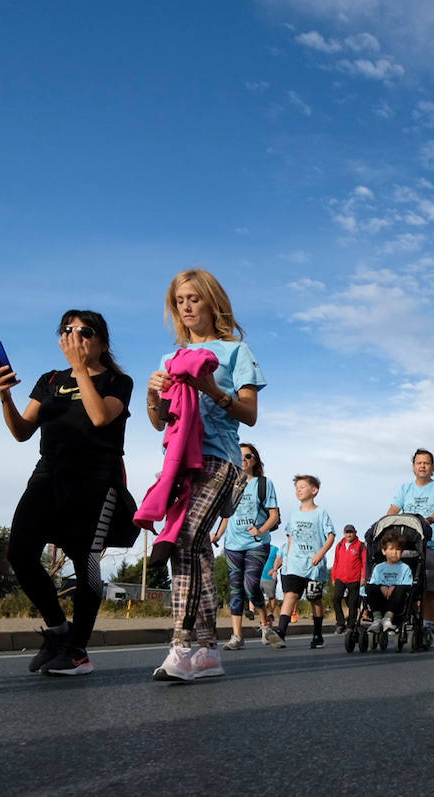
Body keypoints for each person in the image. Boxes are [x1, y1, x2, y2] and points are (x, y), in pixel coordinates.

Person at [0, 310, 133, 676]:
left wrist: (81, 368)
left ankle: (78, 650)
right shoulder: (50, 379)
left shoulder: (118, 381)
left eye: (85, 332)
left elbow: (101, 417)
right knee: (20, 552)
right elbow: (22, 431)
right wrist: (5, 396)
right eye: (68, 330)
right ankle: (57, 630)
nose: (76, 336)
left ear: (101, 341)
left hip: (96, 481)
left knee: (85, 564)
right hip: (48, 475)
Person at [147, 269, 264, 682]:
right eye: (180, 300)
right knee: (194, 549)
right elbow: (159, 422)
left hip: (221, 461)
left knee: (181, 538)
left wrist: (211, 388)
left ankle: (180, 646)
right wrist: (151, 394)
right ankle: (210, 651)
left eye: (194, 298)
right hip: (180, 465)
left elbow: (248, 415)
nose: (187, 306)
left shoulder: (236, 352)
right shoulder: (169, 359)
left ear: (213, 302)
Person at [213, 443, 285, 650]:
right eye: (240, 456)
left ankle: (265, 625)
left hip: (257, 544)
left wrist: (261, 530)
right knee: (236, 589)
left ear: (255, 460)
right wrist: (217, 534)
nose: (243, 460)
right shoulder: (229, 485)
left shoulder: (263, 484)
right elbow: (227, 515)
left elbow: (274, 515)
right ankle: (237, 636)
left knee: (251, 585)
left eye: (248, 456)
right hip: (232, 545)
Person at [386, 448, 434, 649]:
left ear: (432, 467)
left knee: (431, 588)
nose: (422, 466)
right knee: (407, 586)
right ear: (414, 466)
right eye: (419, 463)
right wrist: (386, 524)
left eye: (426, 463)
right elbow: (393, 510)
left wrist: (428, 520)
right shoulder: (405, 489)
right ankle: (407, 620)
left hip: (433, 544)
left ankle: (427, 626)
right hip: (408, 545)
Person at [273, 475, 337, 649]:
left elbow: (331, 536)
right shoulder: (293, 513)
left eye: (302, 487)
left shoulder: (321, 513)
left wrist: (321, 554)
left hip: (314, 565)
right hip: (294, 563)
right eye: (297, 488)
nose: (298, 490)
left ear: (314, 490)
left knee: (314, 599)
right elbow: (290, 537)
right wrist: (285, 561)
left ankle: (317, 635)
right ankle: (281, 632)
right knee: (290, 595)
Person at [366, 531, 413, 636]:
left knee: (402, 589)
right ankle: (377, 619)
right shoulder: (378, 568)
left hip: (396, 600)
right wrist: (382, 586)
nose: (394, 552)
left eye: (398, 549)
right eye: (391, 549)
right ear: (384, 551)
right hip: (381, 598)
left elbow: (407, 585)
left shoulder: (405, 568)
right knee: (370, 587)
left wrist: (394, 587)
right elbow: (374, 582)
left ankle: (388, 618)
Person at [331, 524, 366, 635]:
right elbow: (336, 561)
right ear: (344, 533)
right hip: (340, 577)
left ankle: (351, 625)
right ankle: (340, 623)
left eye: (351, 532)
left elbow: (364, 562)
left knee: (353, 603)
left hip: (354, 578)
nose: (349, 534)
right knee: (336, 599)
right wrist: (333, 576)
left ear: (355, 533)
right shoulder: (339, 545)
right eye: (347, 532)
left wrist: (363, 577)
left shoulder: (360, 546)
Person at [259, 542, 281, 628]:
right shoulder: (256, 548)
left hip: (270, 577)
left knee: (271, 596)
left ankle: (270, 613)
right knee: (254, 595)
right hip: (257, 577)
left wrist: (275, 569)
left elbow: (281, 559)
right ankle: (252, 611)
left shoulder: (275, 549)